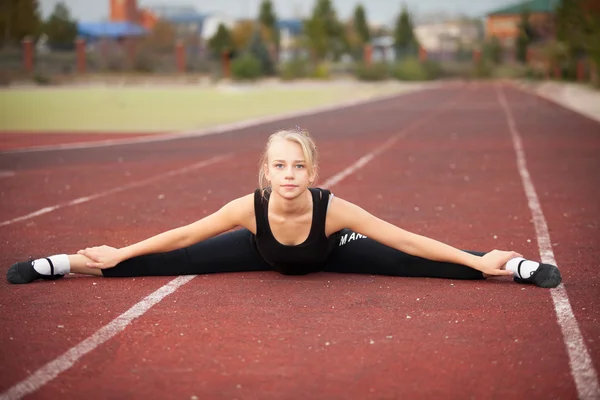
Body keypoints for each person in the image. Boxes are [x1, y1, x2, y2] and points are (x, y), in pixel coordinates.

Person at [7, 128, 561, 288]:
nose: (290, 176)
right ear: (266, 172)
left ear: (312, 174)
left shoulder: (333, 209)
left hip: (330, 253)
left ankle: (509, 266)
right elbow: (180, 236)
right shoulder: (247, 209)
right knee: (153, 261)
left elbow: (407, 240)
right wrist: (118, 251)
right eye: (280, 167)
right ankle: (61, 264)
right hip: (260, 250)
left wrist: (477, 260)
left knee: (413, 263)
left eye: (299, 167)